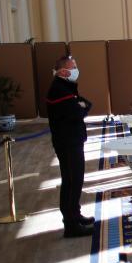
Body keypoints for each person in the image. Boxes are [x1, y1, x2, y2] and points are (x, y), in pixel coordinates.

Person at [46, 56, 95, 238]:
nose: (76, 69)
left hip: (72, 139)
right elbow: (77, 111)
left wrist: (82, 106)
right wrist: (82, 107)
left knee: (75, 179)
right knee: (72, 181)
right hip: (67, 141)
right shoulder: (59, 90)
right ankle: (71, 224)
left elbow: (85, 104)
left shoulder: (65, 87)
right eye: (73, 67)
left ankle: (75, 215)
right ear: (63, 71)